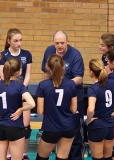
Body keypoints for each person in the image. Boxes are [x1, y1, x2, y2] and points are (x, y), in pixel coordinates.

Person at [41, 30, 84, 160]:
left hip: (72, 96)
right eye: (57, 43)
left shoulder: (75, 54)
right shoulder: (49, 51)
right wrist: (45, 88)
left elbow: (79, 78)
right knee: (55, 129)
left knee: (75, 133)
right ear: (53, 43)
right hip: (54, 96)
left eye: (62, 43)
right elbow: (46, 73)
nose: (59, 46)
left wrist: (64, 85)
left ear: (67, 42)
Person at [0, 28, 32, 160]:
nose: (19, 43)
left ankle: (24, 153)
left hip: (23, 93)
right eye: (15, 41)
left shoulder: (26, 54)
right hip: (9, 93)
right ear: (9, 41)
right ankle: (7, 154)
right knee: (9, 123)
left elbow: (28, 74)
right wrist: (14, 91)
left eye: (21, 40)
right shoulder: (3, 55)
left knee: (25, 126)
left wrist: (21, 90)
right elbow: (3, 76)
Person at [87, 59, 114, 160]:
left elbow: (90, 109)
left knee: (98, 157)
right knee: (108, 157)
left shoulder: (93, 88)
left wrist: (88, 120)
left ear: (91, 72)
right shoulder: (112, 83)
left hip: (97, 125)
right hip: (110, 124)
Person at [35, 54, 77, 160]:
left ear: (48, 67)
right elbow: (74, 109)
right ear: (63, 66)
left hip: (51, 128)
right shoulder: (71, 84)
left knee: (42, 158)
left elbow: (40, 111)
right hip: (68, 127)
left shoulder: (43, 85)